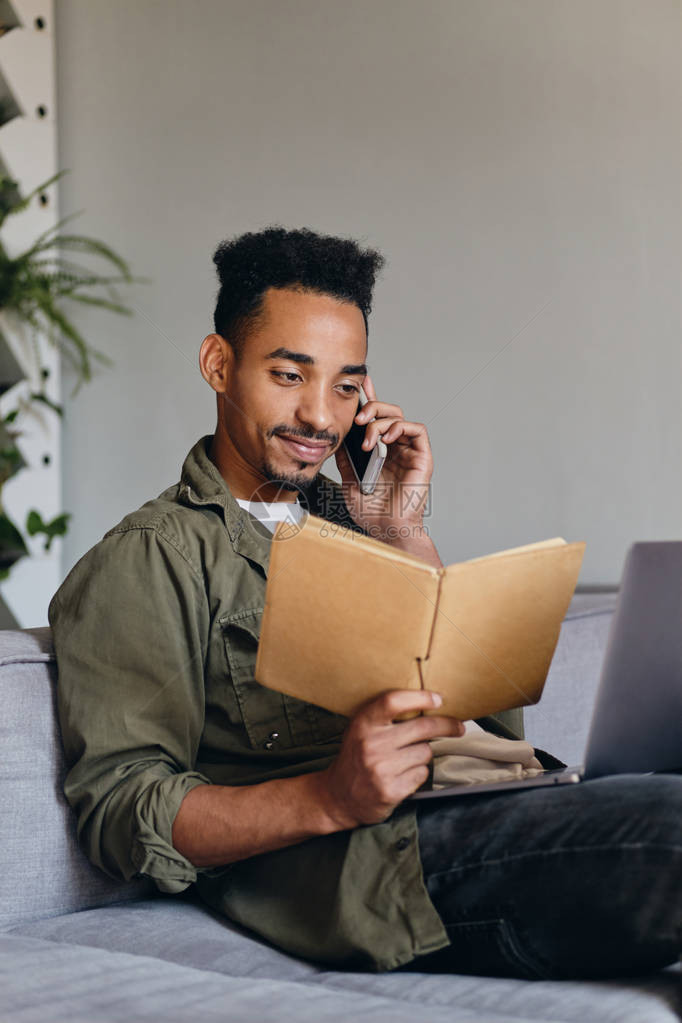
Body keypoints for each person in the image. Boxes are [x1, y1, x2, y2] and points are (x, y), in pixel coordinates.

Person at [50, 227, 681, 979]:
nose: (321, 416)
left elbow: (482, 715)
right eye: (289, 375)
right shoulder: (150, 558)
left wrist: (404, 534)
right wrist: (331, 796)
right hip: (387, 867)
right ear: (219, 365)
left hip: (502, 801)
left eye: (347, 386)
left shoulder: (357, 525)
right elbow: (122, 809)